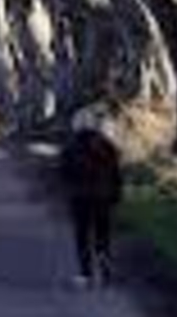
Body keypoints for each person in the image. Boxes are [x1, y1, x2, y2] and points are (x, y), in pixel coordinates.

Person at [59, 109, 123, 289]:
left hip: (80, 198)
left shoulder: (71, 147)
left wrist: (67, 190)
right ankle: (104, 269)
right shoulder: (108, 146)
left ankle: (85, 274)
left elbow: (64, 173)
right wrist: (116, 195)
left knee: (82, 237)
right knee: (103, 235)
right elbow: (116, 174)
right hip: (103, 197)